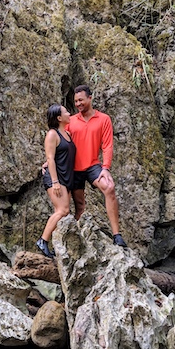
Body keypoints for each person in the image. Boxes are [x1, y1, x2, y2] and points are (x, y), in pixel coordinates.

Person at [67, 85, 127, 247]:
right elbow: (60, 142)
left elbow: (107, 145)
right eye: (76, 101)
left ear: (90, 98)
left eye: (81, 100)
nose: (78, 103)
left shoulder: (103, 119)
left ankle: (117, 235)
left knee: (109, 188)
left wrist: (106, 168)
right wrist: (49, 160)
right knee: (80, 206)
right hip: (74, 169)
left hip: (93, 166)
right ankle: (80, 242)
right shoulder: (70, 121)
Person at [36, 104, 76, 258]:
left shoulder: (66, 134)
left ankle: (55, 246)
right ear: (59, 118)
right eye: (66, 111)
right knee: (63, 210)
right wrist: (55, 182)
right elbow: (50, 158)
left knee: (62, 214)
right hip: (55, 178)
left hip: (66, 177)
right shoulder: (52, 134)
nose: (69, 113)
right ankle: (42, 240)